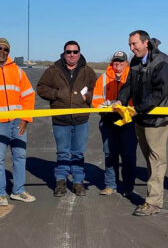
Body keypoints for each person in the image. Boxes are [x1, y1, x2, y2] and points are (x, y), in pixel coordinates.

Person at [116, 30, 168, 216]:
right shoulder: (135, 62)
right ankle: (153, 198)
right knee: (150, 161)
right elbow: (129, 86)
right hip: (140, 118)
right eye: (130, 45)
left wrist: (139, 108)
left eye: (134, 44)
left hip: (156, 120)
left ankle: (153, 202)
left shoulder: (162, 62)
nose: (132, 48)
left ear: (146, 42)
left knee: (157, 161)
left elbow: (160, 93)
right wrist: (121, 100)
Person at [37, 40, 97, 197]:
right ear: (64, 53)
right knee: (63, 152)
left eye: (75, 52)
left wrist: (88, 97)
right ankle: (61, 182)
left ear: (79, 53)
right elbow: (41, 88)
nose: (72, 55)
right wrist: (56, 94)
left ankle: (78, 182)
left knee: (78, 152)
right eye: (68, 52)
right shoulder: (53, 70)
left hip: (81, 119)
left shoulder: (88, 71)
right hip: (60, 119)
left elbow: (96, 90)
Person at [92, 51, 137, 197]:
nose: (118, 65)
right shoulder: (103, 79)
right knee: (110, 154)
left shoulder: (133, 77)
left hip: (128, 122)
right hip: (108, 122)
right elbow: (96, 101)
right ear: (112, 62)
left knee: (128, 155)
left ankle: (128, 187)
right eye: (115, 62)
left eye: (121, 62)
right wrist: (107, 109)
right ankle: (111, 185)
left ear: (126, 63)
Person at [0, 38, 36, 205]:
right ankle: (1, 194)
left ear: (9, 52)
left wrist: (26, 119)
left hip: (17, 122)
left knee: (20, 156)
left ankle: (18, 191)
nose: (2, 51)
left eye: (5, 49)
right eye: (0, 48)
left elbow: (28, 95)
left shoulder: (18, 71)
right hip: (0, 123)